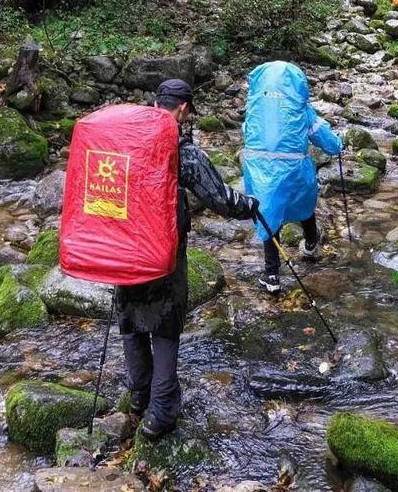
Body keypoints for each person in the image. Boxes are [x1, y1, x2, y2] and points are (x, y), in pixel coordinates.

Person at [115, 78, 259, 441]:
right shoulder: (180, 149)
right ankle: (160, 414)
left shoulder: (127, 140)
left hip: (124, 246)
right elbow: (219, 198)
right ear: (183, 109)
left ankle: (138, 397)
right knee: (165, 324)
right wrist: (250, 206)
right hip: (162, 251)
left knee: (130, 317)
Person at [242, 61, 343, 294]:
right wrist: (338, 145)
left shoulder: (255, 107)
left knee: (268, 215)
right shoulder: (300, 108)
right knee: (305, 206)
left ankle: (272, 275)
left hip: (259, 170)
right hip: (294, 169)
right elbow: (321, 135)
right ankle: (310, 245)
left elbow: (247, 133)